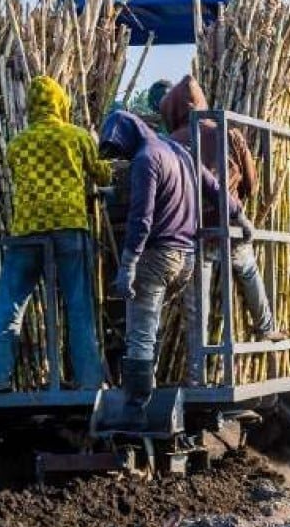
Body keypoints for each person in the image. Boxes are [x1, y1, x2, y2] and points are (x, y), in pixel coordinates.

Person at [98, 110, 252, 430]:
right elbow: (215, 188)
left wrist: (127, 265)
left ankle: (135, 410)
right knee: (149, 324)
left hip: (158, 256)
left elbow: (142, 218)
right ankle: (148, 393)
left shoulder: (146, 159)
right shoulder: (179, 152)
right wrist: (240, 216)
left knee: (139, 331)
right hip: (187, 259)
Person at [0, 75, 112, 392]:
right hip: (69, 225)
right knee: (78, 305)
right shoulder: (76, 137)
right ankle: (90, 380)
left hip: (28, 229)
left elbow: (19, 174)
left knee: (10, 304)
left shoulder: (17, 144)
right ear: (59, 103)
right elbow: (102, 172)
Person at [159, 75, 283, 342]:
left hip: (193, 229)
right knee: (248, 270)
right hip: (231, 223)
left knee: (198, 303)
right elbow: (252, 185)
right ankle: (266, 327)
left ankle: (199, 368)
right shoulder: (229, 134)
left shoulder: (170, 143)